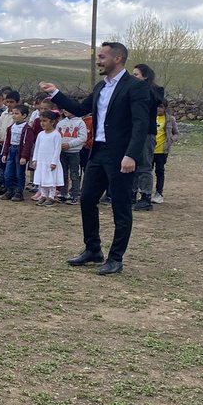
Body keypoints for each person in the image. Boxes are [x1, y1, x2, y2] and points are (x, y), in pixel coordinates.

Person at [41, 41, 152, 275]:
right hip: (98, 152)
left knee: (121, 207)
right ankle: (93, 250)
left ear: (118, 58)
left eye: (102, 57)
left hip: (121, 155)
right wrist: (55, 93)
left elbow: (141, 124)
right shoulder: (101, 86)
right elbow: (81, 109)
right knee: (87, 199)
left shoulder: (135, 87)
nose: (98, 61)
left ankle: (116, 258)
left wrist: (131, 154)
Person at [130, 63, 164, 211]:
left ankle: (145, 197)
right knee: (131, 165)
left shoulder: (153, 92)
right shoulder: (133, 90)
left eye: (136, 75)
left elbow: (153, 100)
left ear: (145, 77)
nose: (133, 77)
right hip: (132, 133)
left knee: (144, 165)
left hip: (146, 133)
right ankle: (131, 194)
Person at [31, 110, 64, 206]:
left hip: (50, 162)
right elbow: (36, 147)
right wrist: (35, 159)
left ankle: (51, 196)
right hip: (41, 161)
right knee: (42, 179)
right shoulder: (41, 134)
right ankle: (43, 195)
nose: (42, 123)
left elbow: (57, 149)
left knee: (51, 180)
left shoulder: (56, 135)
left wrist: (54, 162)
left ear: (52, 122)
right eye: (41, 121)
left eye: (45, 121)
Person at [57, 108, 88, 205]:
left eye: (68, 108)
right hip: (62, 152)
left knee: (74, 174)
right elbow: (57, 135)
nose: (65, 110)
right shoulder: (61, 123)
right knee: (63, 173)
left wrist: (70, 145)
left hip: (74, 152)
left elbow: (83, 137)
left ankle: (74, 195)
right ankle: (63, 193)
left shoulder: (80, 123)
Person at [0, 105, 30, 202]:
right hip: (11, 151)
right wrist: (4, 153)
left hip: (19, 152)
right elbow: (7, 141)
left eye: (17, 114)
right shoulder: (10, 127)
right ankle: (10, 190)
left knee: (19, 173)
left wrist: (24, 156)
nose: (14, 116)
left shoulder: (27, 129)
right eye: (13, 113)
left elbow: (27, 144)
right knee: (8, 173)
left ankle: (18, 192)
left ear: (24, 115)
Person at [152, 100, 178, 204]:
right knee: (146, 171)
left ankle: (159, 193)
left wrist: (170, 139)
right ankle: (145, 191)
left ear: (165, 108)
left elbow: (176, 133)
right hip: (149, 150)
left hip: (162, 151)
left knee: (160, 171)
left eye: (161, 107)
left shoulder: (170, 120)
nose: (159, 109)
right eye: (157, 107)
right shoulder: (150, 117)